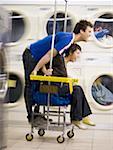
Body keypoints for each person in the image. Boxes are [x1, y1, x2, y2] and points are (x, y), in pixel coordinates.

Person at [22, 20, 93, 123]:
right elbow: (48, 55)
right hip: (31, 54)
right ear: (81, 31)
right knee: (30, 85)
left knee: (38, 85)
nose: (90, 35)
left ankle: (36, 115)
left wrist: (44, 70)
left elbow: (49, 56)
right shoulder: (67, 39)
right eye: (89, 31)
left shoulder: (68, 40)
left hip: (37, 57)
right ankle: (31, 116)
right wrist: (36, 69)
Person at [44, 44, 95, 129]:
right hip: (53, 88)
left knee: (77, 89)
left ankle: (80, 117)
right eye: (77, 53)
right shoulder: (60, 61)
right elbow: (55, 76)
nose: (78, 56)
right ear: (71, 52)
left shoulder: (64, 62)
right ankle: (79, 118)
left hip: (58, 87)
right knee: (77, 89)